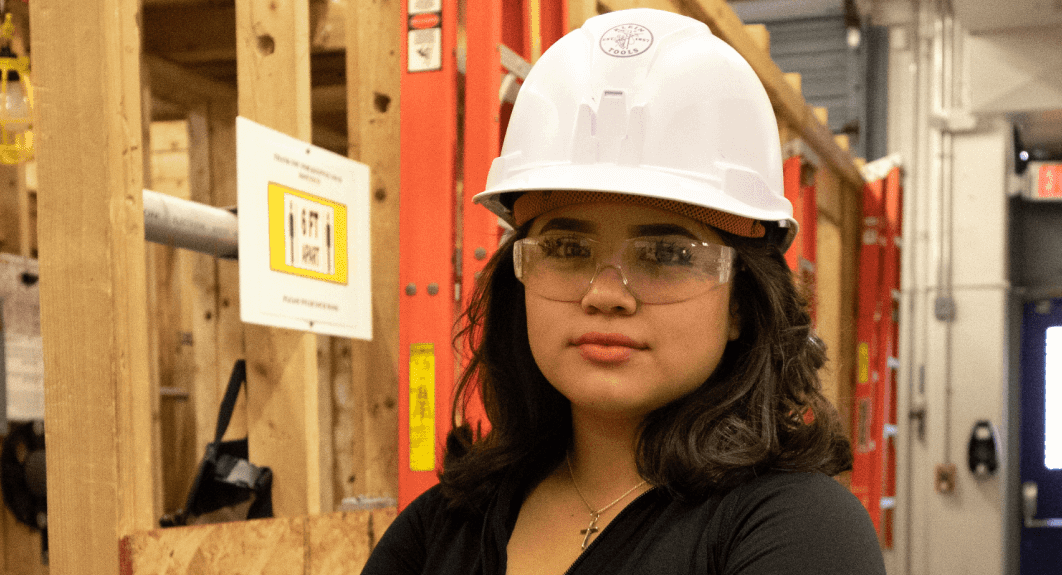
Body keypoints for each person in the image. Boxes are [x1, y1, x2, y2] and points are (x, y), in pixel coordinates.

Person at [361, 8, 885, 575]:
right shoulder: (444, 525)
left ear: (740, 302)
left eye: (668, 255)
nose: (606, 294)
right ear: (521, 275)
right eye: (566, 249)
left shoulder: (797, 530)